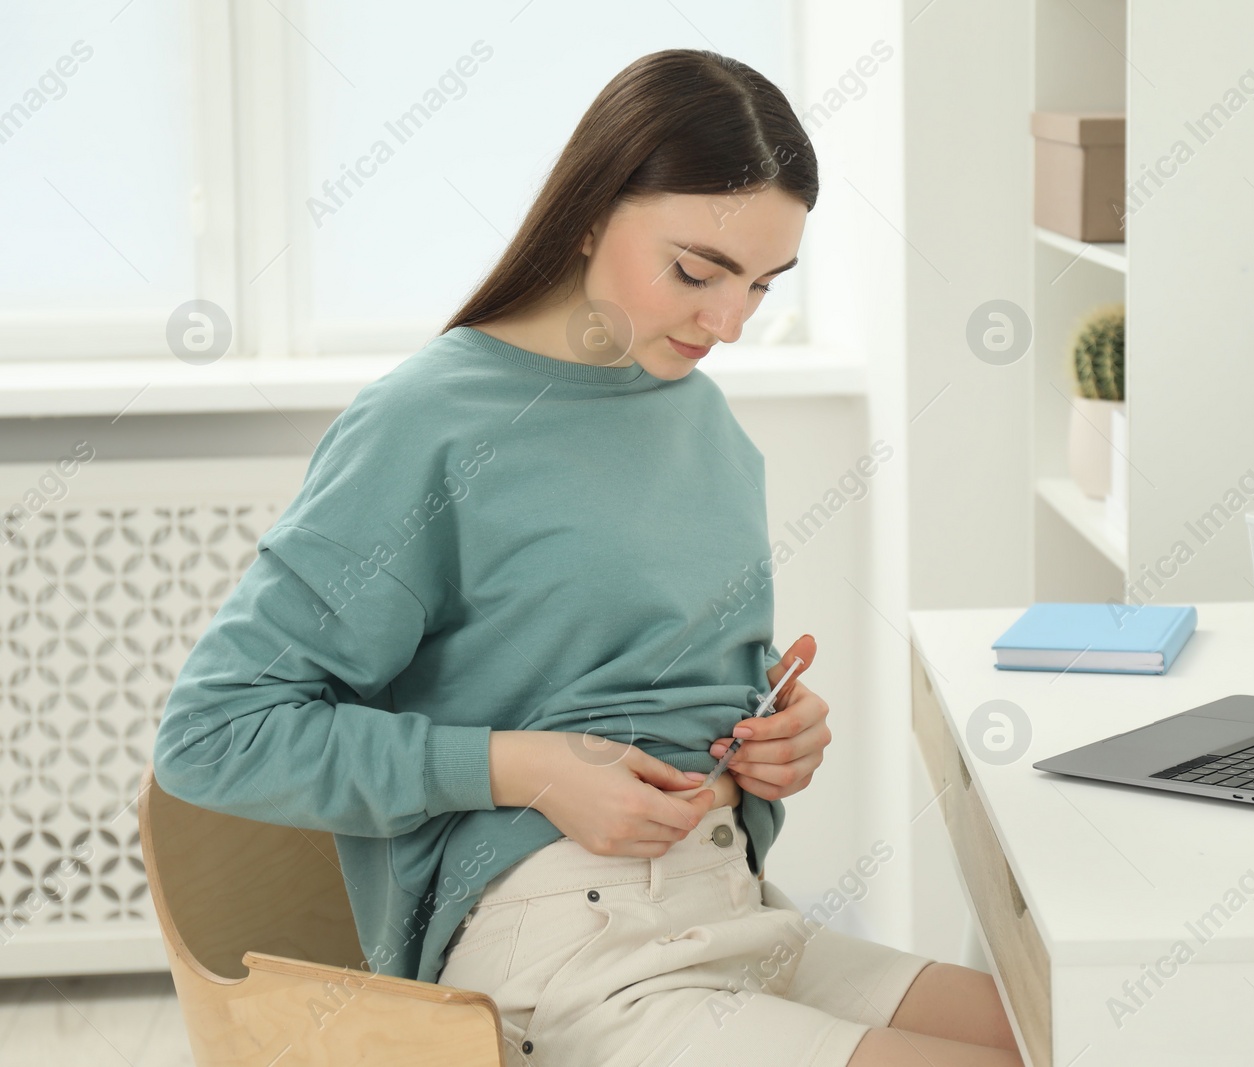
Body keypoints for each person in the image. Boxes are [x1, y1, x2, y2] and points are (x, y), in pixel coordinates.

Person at [153, 47, 1021, 1067]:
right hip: (564, 948)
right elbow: (214, 734)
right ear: (589, 211)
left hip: (735, 906)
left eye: (761, 283)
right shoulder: (424, 424)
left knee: (1086, 1030)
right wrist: (530, 766)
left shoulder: (702, 423)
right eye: (697, 270)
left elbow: (640, 685)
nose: (729, 321)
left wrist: (772, 750)